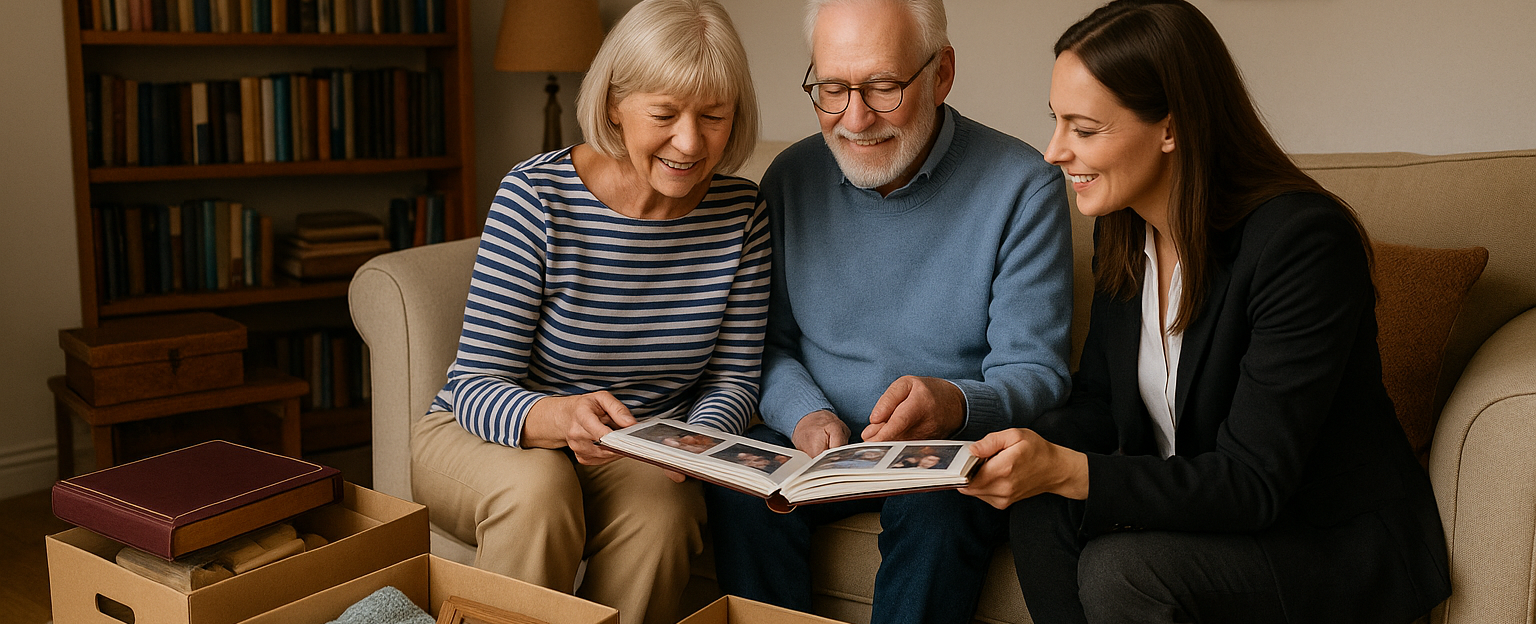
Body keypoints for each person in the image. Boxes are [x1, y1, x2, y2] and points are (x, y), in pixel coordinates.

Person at [958, 2, 1451, 622]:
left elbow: (1255, 483)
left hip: (1320, 538)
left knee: (1121, 572)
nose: (1054, 151)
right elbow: (1100, 408)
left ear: (1171, 127)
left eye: (1083, 129)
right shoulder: (1124, 230)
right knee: (1038, 505)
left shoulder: (1303, 244)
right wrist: (1005, 451)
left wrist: (1068, 470)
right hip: (1206, 514)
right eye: (1056, 122)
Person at [703, 1, 1073, 622]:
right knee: (742, 493)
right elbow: (762, 345)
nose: (855, 118)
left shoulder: (1022, 186)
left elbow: (1038, 369)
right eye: (831, 88)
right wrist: (805, 411)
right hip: (815, 446)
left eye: (882, 87)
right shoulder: (790, 178)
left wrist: (954, 402)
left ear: (942, 73)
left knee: (941, 509)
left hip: (941, 452)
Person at [407, 2, 767, 623]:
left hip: (636, 452)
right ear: (612, 108)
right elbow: (472, 386)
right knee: (540, 491)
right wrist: (558, 417)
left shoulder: (741, 213)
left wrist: (694, 443)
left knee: (666, 510)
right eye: (664, 115)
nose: (690, 142)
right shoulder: (537, 197)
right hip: (490, 434)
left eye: (713, 117)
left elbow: (734, 378)